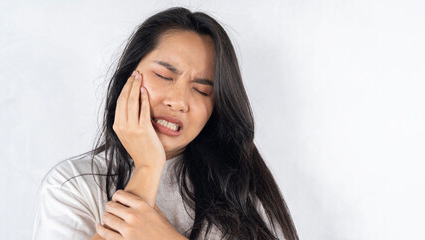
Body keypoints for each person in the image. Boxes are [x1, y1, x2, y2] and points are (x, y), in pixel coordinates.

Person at [32, 6, 299, 240]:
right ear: (128, 76)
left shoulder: (240, 188)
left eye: (202, 90)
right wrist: (148, 168)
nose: (179, 101)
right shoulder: (73, 185)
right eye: (163, 75)